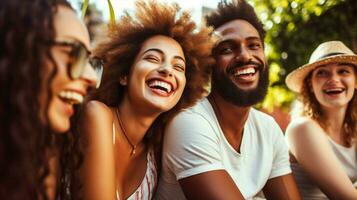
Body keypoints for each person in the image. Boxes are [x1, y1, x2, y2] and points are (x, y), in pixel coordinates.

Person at [155, 0, 301, 199]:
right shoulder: (189, 123)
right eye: (227, 49)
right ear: (209, 65)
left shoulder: (268, 128)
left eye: (254, 45)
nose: (245, 56)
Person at [79, 0, 213, 199]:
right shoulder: (97, 115)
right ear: (124, 74)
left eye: (178, 67)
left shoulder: (156, 156)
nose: (167, 70)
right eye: (152, 58)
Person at [0, 0, 99, 199]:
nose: (92, 78)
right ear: (20, 50)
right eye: (74, 53)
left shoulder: (41, 156)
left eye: (89, 60)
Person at [285, 41, 357, 199]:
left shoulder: (353, 132)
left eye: (343, 71)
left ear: (355, 81)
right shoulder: (302, 128)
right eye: (322, 73)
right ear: (310, 85)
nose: (333, 79)